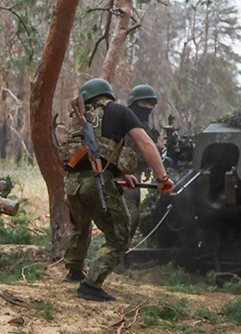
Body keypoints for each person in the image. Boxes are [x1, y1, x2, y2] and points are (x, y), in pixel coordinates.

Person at [63, 78, 174, 301]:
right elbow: (145, 143)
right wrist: (163, 178)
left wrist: (122, 175)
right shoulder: (119, 111)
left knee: (81, 227)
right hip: (96, 183)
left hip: (72, 183)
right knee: (119, 238)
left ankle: (74, 271)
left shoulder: (79, 118)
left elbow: (94, 152)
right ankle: (91, 285)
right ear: (108, 94)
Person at [122, 84, 160, 230]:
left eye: (151, 104)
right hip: (121, 174)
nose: (148, 107)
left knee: (133, 216)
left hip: (135, 174)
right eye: (144, 103)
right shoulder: (123, 122)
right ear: (133, 103)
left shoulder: (144, 126)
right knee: (129, 216)